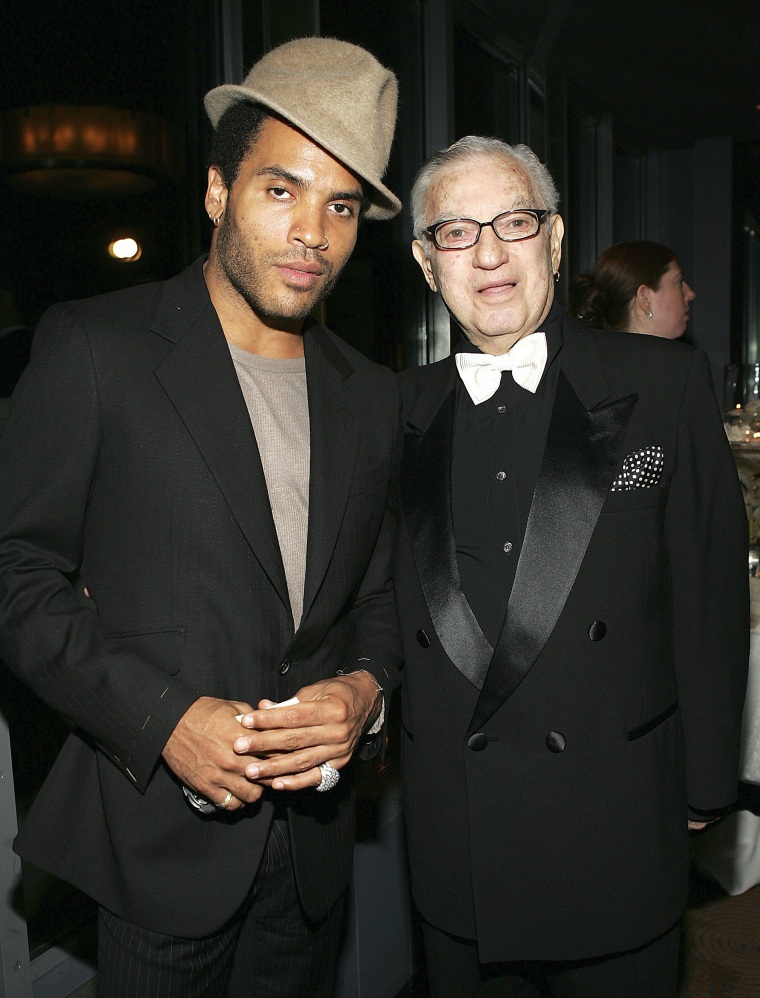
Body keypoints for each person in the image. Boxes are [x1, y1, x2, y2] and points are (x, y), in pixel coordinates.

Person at [0, 37, 403, 997]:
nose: (314, 231)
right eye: (283, 190)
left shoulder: (372, 396)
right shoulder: (98, 349)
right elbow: (15, 573)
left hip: (311, 855)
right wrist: (160, 717)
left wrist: (367, 695)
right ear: (219, 192)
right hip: (157, 844)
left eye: (341, 205)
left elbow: (382, 597)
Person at [394, 135, 748, 996]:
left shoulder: (663, 383)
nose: (487, 253)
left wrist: (705, 780)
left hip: (613, 821)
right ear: (424, 261)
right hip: (459, 836)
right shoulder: (395, 409)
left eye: (513, 222)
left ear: (554, 240)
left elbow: (706, 590)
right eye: (455, 231)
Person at [569, 239, 696, 339]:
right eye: (679, 282)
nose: (690, 294)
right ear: (645, 298)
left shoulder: (596, 364)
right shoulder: (685, 366)